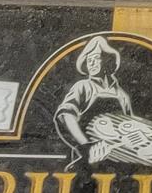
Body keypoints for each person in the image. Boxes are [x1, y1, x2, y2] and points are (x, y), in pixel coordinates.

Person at [55, 35, 134, 165]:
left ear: (107, 60)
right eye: (88, 60)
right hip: (87, 160)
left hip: (116, 161)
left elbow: (129, 130)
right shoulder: (83, 86)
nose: (91, 63)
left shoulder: (121, 95)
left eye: (96, 58)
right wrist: (86, 146)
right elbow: (66, 115)